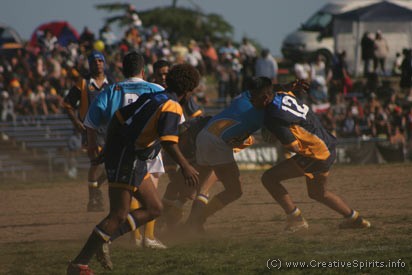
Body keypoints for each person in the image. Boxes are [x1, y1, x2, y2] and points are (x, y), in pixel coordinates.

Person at [66, 64, 201, 275]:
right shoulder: (172, 105)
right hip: (127, 158)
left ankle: (106, 239)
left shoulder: (154, 97)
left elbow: (118, 118)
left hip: (131, 157)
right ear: (189, 90)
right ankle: (78, 265)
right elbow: (168, 141)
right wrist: (186, 166)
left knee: (154, 208)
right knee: (118, 214)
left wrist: (109, 147)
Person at [249, 83, 371, 233]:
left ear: (266, 98)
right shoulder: (281, 93)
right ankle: (355, 219)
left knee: (269, 178)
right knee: (318, 193)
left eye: (254, 99)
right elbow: (284, 88)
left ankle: (296, 219)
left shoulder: (273, 117)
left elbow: (293, 147)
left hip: (316, 153)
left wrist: (276, 137)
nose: (252, 102)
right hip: (326, 144)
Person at [84, 52, 167, 258]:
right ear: (143, 71)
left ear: (122, 70)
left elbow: (90, 123)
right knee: (150, 191)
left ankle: (135, 238)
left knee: (128, 195)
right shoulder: (157, 89)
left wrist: (94, 148)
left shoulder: (112, 90)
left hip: (119, 149)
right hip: (149, 147)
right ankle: (147, 237)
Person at [184, 77, 273, 232]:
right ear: (265, 95)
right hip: (218, 143)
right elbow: (270, 136)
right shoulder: (263, 114)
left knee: (204, 186)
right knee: (234, 190)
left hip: (204, 135)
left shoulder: (242, 96)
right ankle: (196, 220)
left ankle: (192, 222)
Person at [63, 50, 111, 212]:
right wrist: (76, 122)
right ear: (89, 64)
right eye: (94, 61)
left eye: (100, 60)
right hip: (91, 129)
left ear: (104, 63)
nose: (97, 63)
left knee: (110, 164)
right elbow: (67, 104)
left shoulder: (111, 83)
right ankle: (94, 198)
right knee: (96, 162)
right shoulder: (83, 83)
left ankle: (97, 188)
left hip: (109, 129)